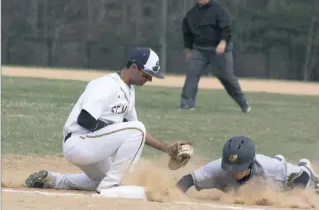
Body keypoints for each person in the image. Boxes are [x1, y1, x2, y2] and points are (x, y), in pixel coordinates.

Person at [25, 48, 193, 194]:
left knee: (104, 177)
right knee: (136, 132)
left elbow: (134, 131)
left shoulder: (128, 89)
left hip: (94, 146)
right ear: (133, 67)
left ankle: (55, 180)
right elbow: (85, 119)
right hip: (79, 143)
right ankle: (110, 187)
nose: (149, 80)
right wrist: (114, 131)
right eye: (147, 75)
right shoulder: (105, 85)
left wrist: (167, 149)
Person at [180, 0, 250, 113]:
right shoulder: (191, 14)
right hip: (200, 49)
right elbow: (187, 33)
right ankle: (187, 104)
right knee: (192, 74)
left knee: (227, 77)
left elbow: (227, 28)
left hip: (219, 49)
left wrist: (223, 42)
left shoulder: (218, 10)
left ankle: (243, 102)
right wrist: (188, 49)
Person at [176, 136, 319, 194]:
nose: (235, 172)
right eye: (231, 167)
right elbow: (187, 180)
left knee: (297, 185)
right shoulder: (216, 168)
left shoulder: (267, 168)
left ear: (250, 163)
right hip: (272, 168)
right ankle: (278, 159)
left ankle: (302, 164)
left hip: (279, 176)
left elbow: (302, 177)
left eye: (239, 168)